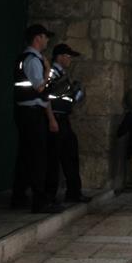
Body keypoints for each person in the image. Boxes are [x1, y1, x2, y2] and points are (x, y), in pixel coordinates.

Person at [11, 24, 63, 213]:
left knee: (26, 156)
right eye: (45, 36)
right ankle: (39, 201)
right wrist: (48, 71)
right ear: (37, 38)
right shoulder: (33, 60)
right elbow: (41, 88)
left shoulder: (28, 58)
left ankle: (19, 197)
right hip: (31, 113)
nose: (47, 40)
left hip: (28, 112)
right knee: (37, 157)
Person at [45, 44, 90, 204]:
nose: (70, 60)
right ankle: (49, 196)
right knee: (52, 158)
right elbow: (46, 96)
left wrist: (77, 93)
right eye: (68, 56)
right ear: (59, 57)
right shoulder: (51, 73)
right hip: (55, 118)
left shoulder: (64, 74)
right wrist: (51, 119)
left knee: (70, 154)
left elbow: (67, 97)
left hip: (64, 118)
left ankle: (74, 192)